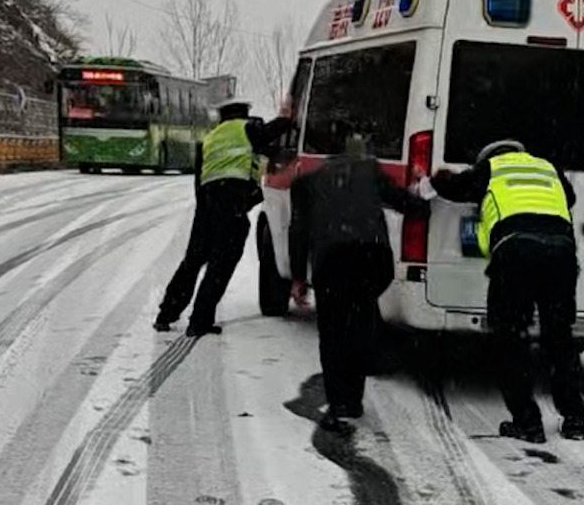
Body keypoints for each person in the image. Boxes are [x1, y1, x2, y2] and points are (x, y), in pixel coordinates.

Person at [422, 139, 584, 444]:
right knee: (559, 337)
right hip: (561, 252)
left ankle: (527, 421)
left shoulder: (490, 168)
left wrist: (436, 180)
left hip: (516, 251)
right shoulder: (547, 167)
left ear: (488, 157)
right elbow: (570, 198)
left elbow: (456, 189)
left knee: (510, 338)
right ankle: (574, 418)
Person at [288, 129, 429, 434]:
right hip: (372, 259)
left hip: (332, 260)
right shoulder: (370, 172)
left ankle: (341, 402)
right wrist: (422, 190)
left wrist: (298, 277)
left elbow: (297, 231)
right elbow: (409, 205)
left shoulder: (306, 183)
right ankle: (355, 393)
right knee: (359, 319)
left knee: (333, 330)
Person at [153, 98, 291, 337]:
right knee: (222, 263)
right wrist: (288, 118)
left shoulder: (211, 138)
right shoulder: (245, 130)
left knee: (193, 261)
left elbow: (200, 179)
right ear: (243, 114)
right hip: (230, 204)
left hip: (206, 204)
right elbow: (270, 134)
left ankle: (166, 314)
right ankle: (199, 322)